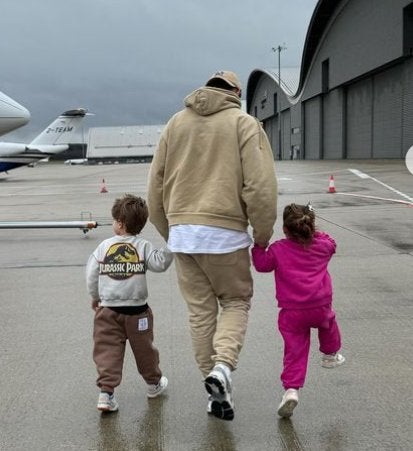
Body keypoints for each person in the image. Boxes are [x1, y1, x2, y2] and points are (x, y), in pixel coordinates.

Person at [147, 70, 278, 420]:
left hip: (183, 234)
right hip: (226, 233)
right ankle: (222, 367)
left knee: (200, 313)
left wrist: (170, 230)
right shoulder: (244, 123)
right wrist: (262, 236)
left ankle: (213, 387)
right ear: (235, 92)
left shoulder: (174, 124)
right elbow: (260, 186)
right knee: (236, 301)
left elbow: (154, 188)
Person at [251, 203, 345, 418]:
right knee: (329, 323)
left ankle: (291, 390)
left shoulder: (278, 249)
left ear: (284, 229)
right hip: (320, 305)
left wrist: (258, 246)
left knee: (295, 350)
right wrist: (317, 232)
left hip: (292, 311)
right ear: (311, 225)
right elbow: (332, 243)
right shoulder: (322, 246)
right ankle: (330, 354)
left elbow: (262, 265)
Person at [86, 194, 173, 412]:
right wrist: (173, 245)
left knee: (107, 351)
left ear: (120, 224)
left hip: (107, 311)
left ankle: (106, 393)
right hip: (138, 312)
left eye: (115, 220)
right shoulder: (143, 246)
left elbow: (92, 274)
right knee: (145, 350)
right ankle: (154, 384)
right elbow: (159, 263)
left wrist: (96, 296)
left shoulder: (103, 247)